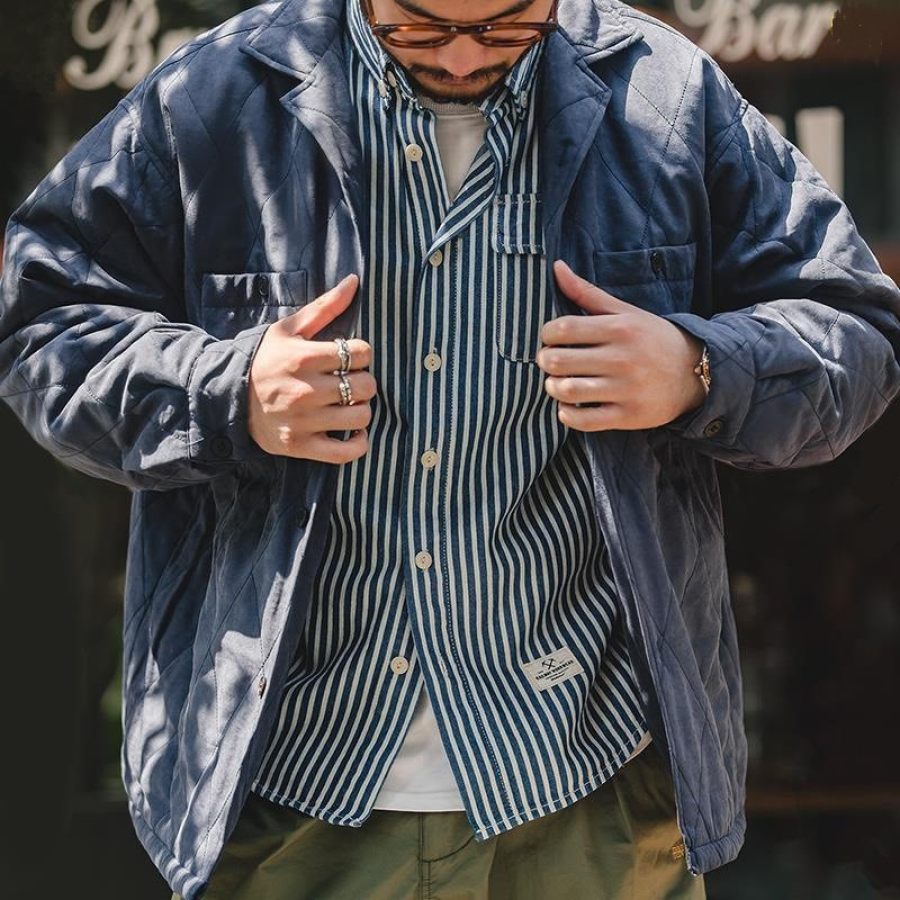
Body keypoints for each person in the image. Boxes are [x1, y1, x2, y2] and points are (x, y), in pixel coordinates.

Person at [1, 0, 899, 897]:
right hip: (287, 787)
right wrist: (228, 391)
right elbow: (40, 325)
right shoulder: (218, 92)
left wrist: (699, 369)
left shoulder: (666, 93)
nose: (466, 57)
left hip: (592, 789)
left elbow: (856, 332)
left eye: (508, 25)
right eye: (421, 27)